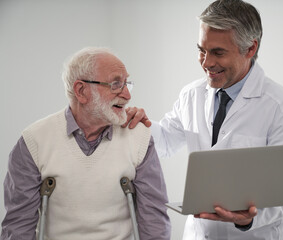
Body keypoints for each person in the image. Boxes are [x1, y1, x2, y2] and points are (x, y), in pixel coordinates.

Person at [124, 0, 283, 239]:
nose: (206, 62)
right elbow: (166, 141)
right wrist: (141, 125)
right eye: (202, 50)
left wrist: (248, 219)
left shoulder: (281, 108)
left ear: (250, 48)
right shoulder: (192, 95)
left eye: (218, 52)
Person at [1, 47, 171, 240]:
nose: (127, 95)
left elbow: (154, 222)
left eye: (126, 84)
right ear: (81, 91)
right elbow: (18, 227)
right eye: (116, 84)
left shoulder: (139, 138)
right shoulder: (34, 141)